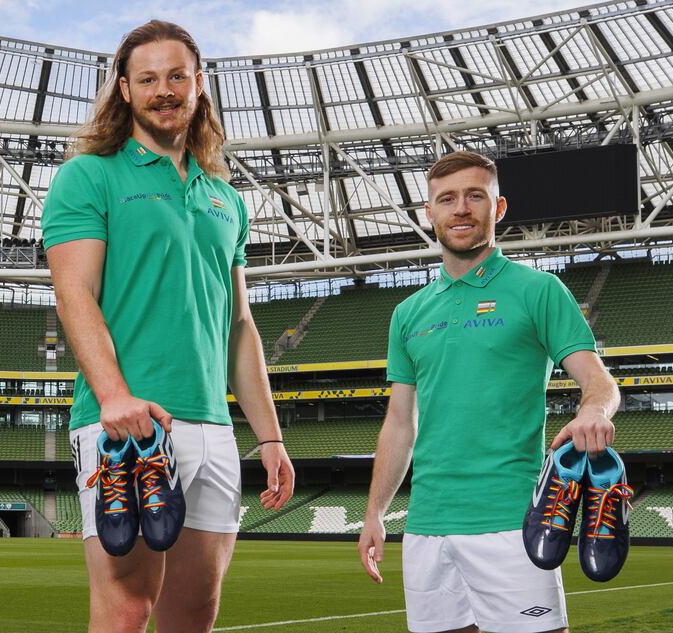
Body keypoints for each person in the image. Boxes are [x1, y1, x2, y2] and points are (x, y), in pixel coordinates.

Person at [42, 20, 295, 633]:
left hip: (213, 427)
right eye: (147, 78)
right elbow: (73, 292)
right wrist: (113, 396)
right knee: (127, 607)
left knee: (196, 612)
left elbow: (240, 326)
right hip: (130, 424)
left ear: (199, 84)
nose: (164, 90)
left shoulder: (225, 198)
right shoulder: (89, 176)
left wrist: (271, 436)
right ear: (124, 91)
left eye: (176, 76)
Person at [358, 151, 619, 633]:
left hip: (511, 521)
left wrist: (593, 412)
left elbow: (600, 381)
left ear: (497, 208)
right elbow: (399, 423)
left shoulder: (539, 290)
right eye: (447, 199)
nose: (461, 209)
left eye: (475, 196)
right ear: (429, 213)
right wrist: (375, 512)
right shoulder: (407, 313)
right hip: (426, 526)